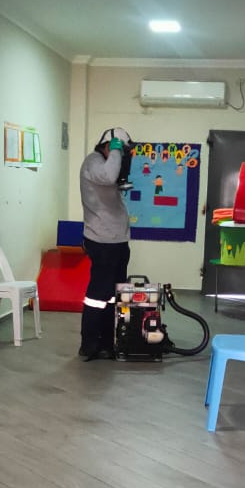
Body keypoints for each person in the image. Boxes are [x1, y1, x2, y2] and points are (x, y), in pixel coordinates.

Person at [79, 126, 133, 359]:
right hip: (102, 241)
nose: (122, 156)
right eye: (121, 149)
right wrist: (117, 149)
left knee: (113, 296)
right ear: (109, 146)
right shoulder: (94, 162)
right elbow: (110, 176)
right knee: (97, 297)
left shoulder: (106, 163)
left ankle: (107, 343)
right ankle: (89, 345)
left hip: (117, 241)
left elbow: (114, 180)